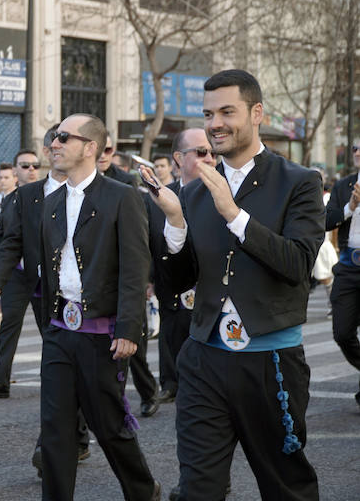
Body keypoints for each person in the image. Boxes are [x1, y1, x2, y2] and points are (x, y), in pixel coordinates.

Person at [146, 69, 323, 501]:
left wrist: (234, 213)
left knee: (286, 487)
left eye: (227, 111)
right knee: (197, 489)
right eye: (208, 114)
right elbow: (176, 284)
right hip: (203, 359)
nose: (215, 123)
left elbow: (297, 264)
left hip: (272, 363)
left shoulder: (299, 182)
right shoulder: (192, 192)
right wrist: (173, 225)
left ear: (256, 112)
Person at [39, 113, 160, 501]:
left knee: (109, 426)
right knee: (55, 430)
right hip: (60, 331)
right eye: (54, 138)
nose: (54, 144)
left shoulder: (122, 196)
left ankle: (142, 491)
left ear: (90, 147)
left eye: (63, 138)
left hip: (102, 334)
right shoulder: (52, 200)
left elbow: (134, 266)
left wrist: (128, 329)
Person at [0, 125, 91, 475]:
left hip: (78, 300)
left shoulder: (94, 194)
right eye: (54, 145)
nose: (58, 150)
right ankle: (53, 446)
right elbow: (10, 239)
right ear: (48, 152)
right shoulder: (25, 197)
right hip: (38, 288)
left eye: (66, 143)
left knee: (77, 372)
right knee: (55, 369)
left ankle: (78, 438)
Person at [0, 144, 55, 399]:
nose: (32, 170)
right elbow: (2, 234)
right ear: (15, 171)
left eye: (36, 166)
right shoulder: (11, 200)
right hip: (16, 273)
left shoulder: (51, 193)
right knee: (9, 326)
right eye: (25, 166)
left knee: (49, 330)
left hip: (43, 274)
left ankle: (57, 380)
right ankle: (1, 382)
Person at [148, 130, 216, 404]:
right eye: (201, 152)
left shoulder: (223, 192)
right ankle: (170, 381)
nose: (210, 158)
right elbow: (148, 242)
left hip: (209, 284)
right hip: (169, 279)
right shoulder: (158, 197)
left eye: (213, 152)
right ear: (179, 158)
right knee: (170, 330)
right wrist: (148, 278)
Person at [100, 133, 159, 417]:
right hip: (96, 286)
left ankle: (148, 392)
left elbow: (140, 240)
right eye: (98, 147)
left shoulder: (125, 184)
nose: (102, 153)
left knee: (136, 347)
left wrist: (147, 278)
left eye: (108, 148)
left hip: (126, 277)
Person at [324, 141, 360, 406]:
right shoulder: (344, 185)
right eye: (355, 148)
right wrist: (351, 206)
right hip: (348, 266)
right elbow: (327, 220)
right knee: (342, 333)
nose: (357, 152)